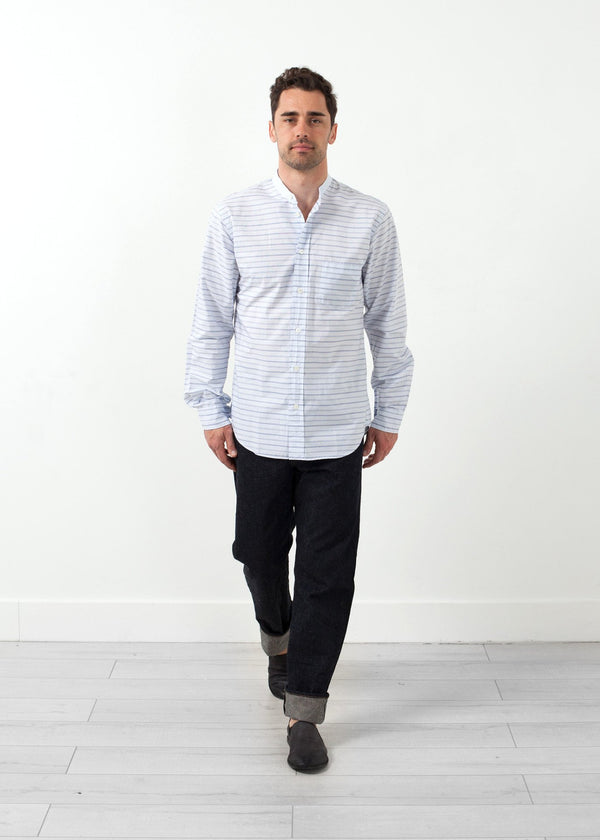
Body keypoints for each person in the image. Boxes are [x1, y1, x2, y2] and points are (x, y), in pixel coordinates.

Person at [184, 67, 414, 772]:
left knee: (327, 573)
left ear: (333, 131)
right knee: (257, 552)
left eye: (315, 118)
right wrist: (210, 407)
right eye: (290, 117)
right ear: (272, 129)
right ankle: (277, 639)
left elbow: (388, 324)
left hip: (339, 431)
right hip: (256, 425)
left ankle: (305, 710)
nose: (302, 130)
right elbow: (212, 320)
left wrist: (389, 412)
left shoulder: (370, 219)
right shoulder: (235, 215)